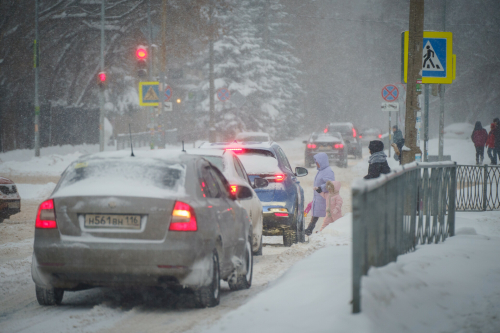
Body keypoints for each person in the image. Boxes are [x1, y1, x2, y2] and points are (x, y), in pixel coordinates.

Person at [305, 152, 335, 236]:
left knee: (328, 215)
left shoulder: (328, 171)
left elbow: (331, 183)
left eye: (317, 161)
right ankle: (309, 229)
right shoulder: (321, 171)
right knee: (316, 214)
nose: (316, 163)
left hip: (324, 197)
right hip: (319, 197)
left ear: (322, 161)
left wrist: (321, 188)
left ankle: (328, 230)